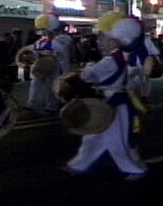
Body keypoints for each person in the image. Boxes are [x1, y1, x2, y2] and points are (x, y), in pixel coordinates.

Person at [62, 12, 155, 181]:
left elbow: (89, 76)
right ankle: (79, 165)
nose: (101, 41)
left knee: (116, 140)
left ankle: (134, 169)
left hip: (114, 103)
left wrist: (84, 71)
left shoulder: (110, 60)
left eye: (104, 38)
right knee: (93, 136)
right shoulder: (118, 59)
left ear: (114, 41)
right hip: (111, 101)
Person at [24, 14, 63, 112]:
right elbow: (34, 51)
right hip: (40, 64)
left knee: (51, 86)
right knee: (35, 84)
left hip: (52, 65)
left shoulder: (56, 42)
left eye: (44, 29)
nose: (42, 31)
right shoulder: (40, 41)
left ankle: (51, 105)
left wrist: (50, 54)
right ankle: (32, 102)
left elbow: (60, 53)